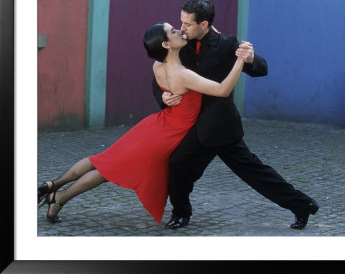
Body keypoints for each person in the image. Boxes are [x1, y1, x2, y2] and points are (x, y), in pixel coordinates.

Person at [38, 21, 247, 225]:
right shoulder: (182, 74)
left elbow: (171, 80)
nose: (180, 31)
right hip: (165, 134)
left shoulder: (158, 65)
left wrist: (209, 35)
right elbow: (222, 90)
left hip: (156, 126)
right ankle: (59, 197)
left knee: (102, 160)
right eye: (174, 31)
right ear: (166, 44)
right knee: (107, 169)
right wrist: (240, 59)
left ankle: (52, 185)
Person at [152, 0, 319, 230]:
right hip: (193, 125)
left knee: (255, 173)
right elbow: (161, 75)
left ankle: (303, 205)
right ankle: (181, 213)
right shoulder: (180, 44)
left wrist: (250, 58)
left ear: (204, 24)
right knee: (178, 165)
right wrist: (162, 97)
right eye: (181, 22)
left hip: (221, 126)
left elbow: (262, 69)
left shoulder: (227, 43)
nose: (182, 28)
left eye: (187, 24)